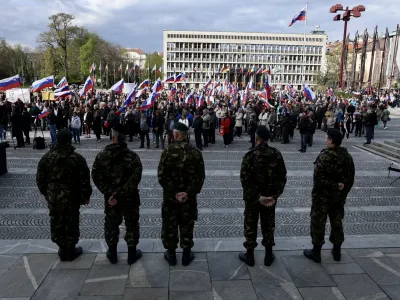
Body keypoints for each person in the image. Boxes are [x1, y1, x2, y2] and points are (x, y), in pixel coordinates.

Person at [36, 129, 92, 261]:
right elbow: (84, 179)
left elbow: (40, 179)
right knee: (71, 220)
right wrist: (85, 195)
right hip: (72, 197)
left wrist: (47, 193)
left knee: (57, 220)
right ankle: (71, 249)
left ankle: (62, 248)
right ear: (69, 139)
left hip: (54, 197)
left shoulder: (47, 158)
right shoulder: (77, 158)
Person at [92, 123, 143, 265]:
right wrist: (121, 193)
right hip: (130, 197)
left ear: (113, 137)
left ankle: (112, 253)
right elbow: (135, 178)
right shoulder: (133, 157)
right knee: (131, 224)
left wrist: (110, 193)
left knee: (111, 224)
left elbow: (96, 176)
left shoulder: (102, 156)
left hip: (111, 199)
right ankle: (132, 253)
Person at [304, 129, 355, 263]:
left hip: (322, 198)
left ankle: (316, 252)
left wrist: (334, 186)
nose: (325, 140)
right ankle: (336, 251)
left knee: (318, 224)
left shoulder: (324, 157)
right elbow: (350, 179)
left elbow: (318, 180)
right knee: (337, 223)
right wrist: (342, 192)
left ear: (331, 140)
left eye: (327, 138)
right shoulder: (347, 157)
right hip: (338, 199)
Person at [158, 122, 205, 266]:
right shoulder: (195, 152)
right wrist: (187, 193)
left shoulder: (167, 151)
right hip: (188, 200)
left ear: (177, 134)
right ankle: (186, 254)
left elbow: (162, 176)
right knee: (187, 224)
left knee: (170, 225)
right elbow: (200, 177)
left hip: (171, 199)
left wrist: (174, 193)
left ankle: (171, 255)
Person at [239, 126, 287, 267]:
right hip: (270, 200)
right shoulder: (276, 154)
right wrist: (274, 196)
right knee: (268, 225)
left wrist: (257, 196)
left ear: (257, 138)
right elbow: (282, 178)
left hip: (253, 199)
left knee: (250, 224)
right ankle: (268, 255)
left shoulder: (250, 156)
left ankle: (250, 255)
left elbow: (245, 181)